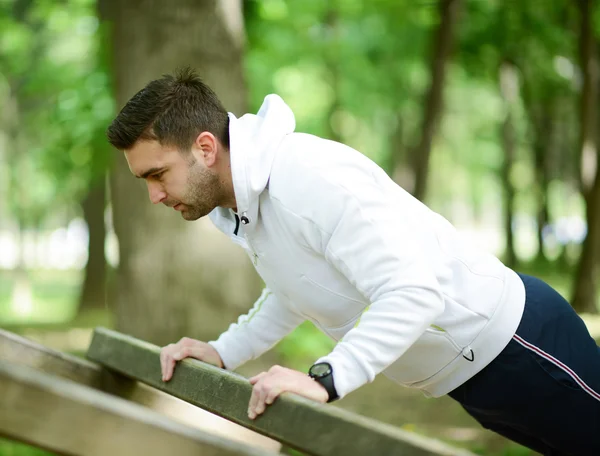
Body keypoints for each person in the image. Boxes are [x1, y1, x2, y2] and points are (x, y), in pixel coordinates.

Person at [106, 67, 600, 455]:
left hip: (519, 345)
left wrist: (325, 379)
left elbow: (413, 291)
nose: (153, 196)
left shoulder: (305, 178)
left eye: (158, 174)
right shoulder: (247, 205)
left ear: (205, 148)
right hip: (470, 380)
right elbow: (292, 288)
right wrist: (222, 352)